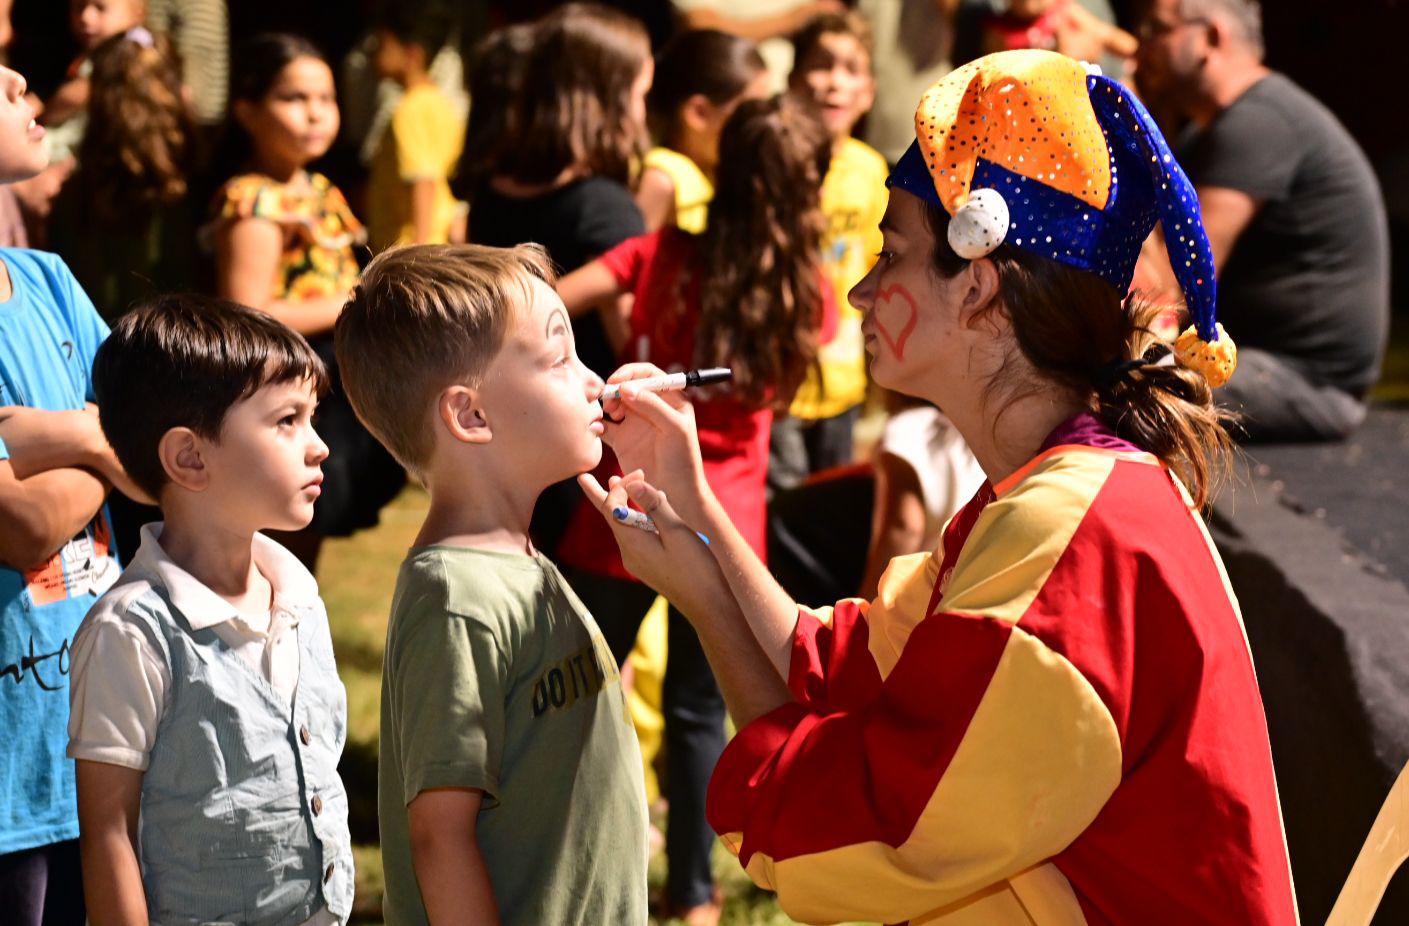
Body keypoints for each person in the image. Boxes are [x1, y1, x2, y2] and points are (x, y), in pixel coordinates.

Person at [581, 50, 1297, 923]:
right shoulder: (1054, 495)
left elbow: (865, 830)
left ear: (979, 289)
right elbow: (847, 672)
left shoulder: (1074, 535)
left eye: (891, 257)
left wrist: (702, 598)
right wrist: (695, 511)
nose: (858, 290)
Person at [554, 94, 831, 926]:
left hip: (625, 496)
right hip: (724, 513)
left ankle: (570, 860)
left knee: (572, 683)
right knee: (698, 706)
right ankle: (696, 894)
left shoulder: (660, 253)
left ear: (718, 169)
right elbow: (779, 392)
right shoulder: (805, 291)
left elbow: (547, 299)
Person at [333, 244, 648, 926]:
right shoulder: (456, 599)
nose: (596, 381)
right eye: (560, 359)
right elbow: (439, 835)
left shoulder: (519, 559)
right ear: (470, 416)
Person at [67, 295, 351, 926]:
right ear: (190, 457)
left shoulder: (297, 595)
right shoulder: (133, 633)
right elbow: (108, 834)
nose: (319, 447)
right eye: (287, 421)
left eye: (313, 418)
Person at [0, 62, 130, 926]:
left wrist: (54, 437)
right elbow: (22, 526)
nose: (27, 88)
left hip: (95, 745)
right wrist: (103, 438)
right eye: (0, 82)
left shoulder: (47, 280)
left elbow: (163, 448)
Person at [1135, 0, 1389, 441]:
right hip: (1252, 361)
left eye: (1157, 29)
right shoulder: (1215, 128)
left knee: (1117, 391)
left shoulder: (1259, 124)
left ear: (1211, 37)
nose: (1140, 47)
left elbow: (1167, 288)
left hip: (1305, 383)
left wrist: (1122, 139)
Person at [207, 33, 403, 570]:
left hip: (327, 380)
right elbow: (248, 310)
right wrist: (359, 301)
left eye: (326, 99)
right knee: (283, 535)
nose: (314, 114)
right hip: (284, 381)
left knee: (307, 529)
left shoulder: (319, 188)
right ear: (248, 111)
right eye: (294, 99)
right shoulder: (254, 198)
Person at [467, 2, 652, 556]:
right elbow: (630, 343)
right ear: (613, 97)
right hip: (582, 452)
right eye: (642, 93)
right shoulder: (606, 208)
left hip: (503, 436)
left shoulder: (491, 192)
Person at [770, 10, 888, 492]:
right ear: (794, 79)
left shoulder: (871, 169)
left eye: (851, 70)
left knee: (828, 500)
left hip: (842, 381)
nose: (834, 84)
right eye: (822, 65)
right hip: (776, 382)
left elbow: (879, 265)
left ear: (869, 93)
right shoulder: (771, 161)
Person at [635, 28, 769, 234]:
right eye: (750, 113)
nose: (763, 125)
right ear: (699, 113)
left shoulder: (716, 175)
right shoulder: (664, 178)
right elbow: (629, 262)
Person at [366, 3, 466, 250]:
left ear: (412, 54)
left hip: (409, 250)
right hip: (435, 245)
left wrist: (417, 257)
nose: (374, 52)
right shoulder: (438, 103)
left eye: (383, 43)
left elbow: (423, 180)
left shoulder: (410, 109)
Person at [43, 0, 147, 158]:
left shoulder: (129, 53)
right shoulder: (89, 53)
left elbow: (74, 96)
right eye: (79, 7)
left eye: (100, 8)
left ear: (136, 13)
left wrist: (46, 112)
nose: (85, 17)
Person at [980, 0, 1137, 61]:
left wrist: (1137, 52)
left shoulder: (1065, 11)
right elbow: (993, 70)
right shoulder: (999, 30)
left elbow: (1106, 35)